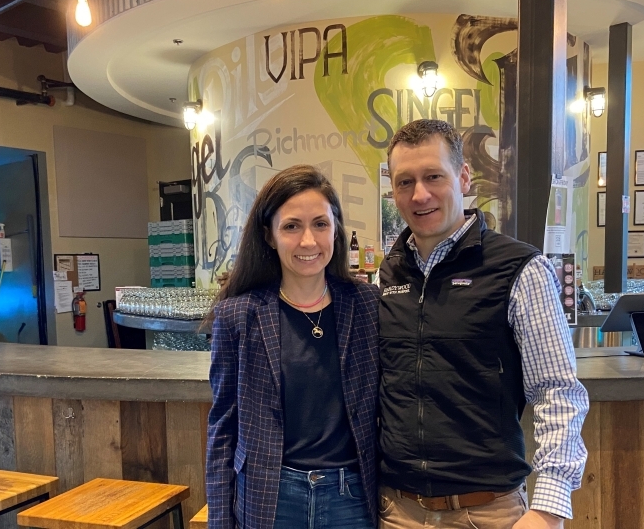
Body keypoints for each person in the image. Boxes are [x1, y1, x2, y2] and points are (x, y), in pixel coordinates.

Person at [377, 120, 589, 529]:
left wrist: (548, 508)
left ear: (463, 177)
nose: (419, 194)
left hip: (488, 512)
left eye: (433, 176)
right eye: (405, 182)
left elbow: (557, 392)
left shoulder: (520, 269)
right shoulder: (389, 276)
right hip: (397, 512)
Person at [206, 164, 381, 529]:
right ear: (269, 235)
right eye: (291, 226)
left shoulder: (367, 305)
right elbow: (223, 427)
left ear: (335, 229)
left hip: (351, 497)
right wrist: (219, 520)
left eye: (320, 223)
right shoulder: (238, 314)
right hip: (271, 495)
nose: (308, 241)